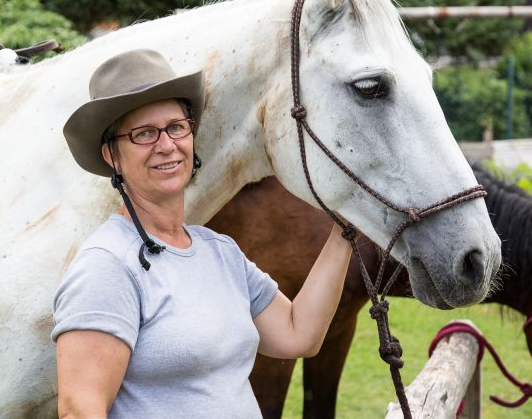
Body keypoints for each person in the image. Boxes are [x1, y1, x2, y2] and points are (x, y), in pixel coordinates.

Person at [54, 49, 352, 419]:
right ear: (112, 156)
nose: (166, 145)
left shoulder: (219, 251)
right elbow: (80, 410)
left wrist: (344, 228)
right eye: (144, 134)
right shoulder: (108, 265)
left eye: (176, 127)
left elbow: (297, 334)